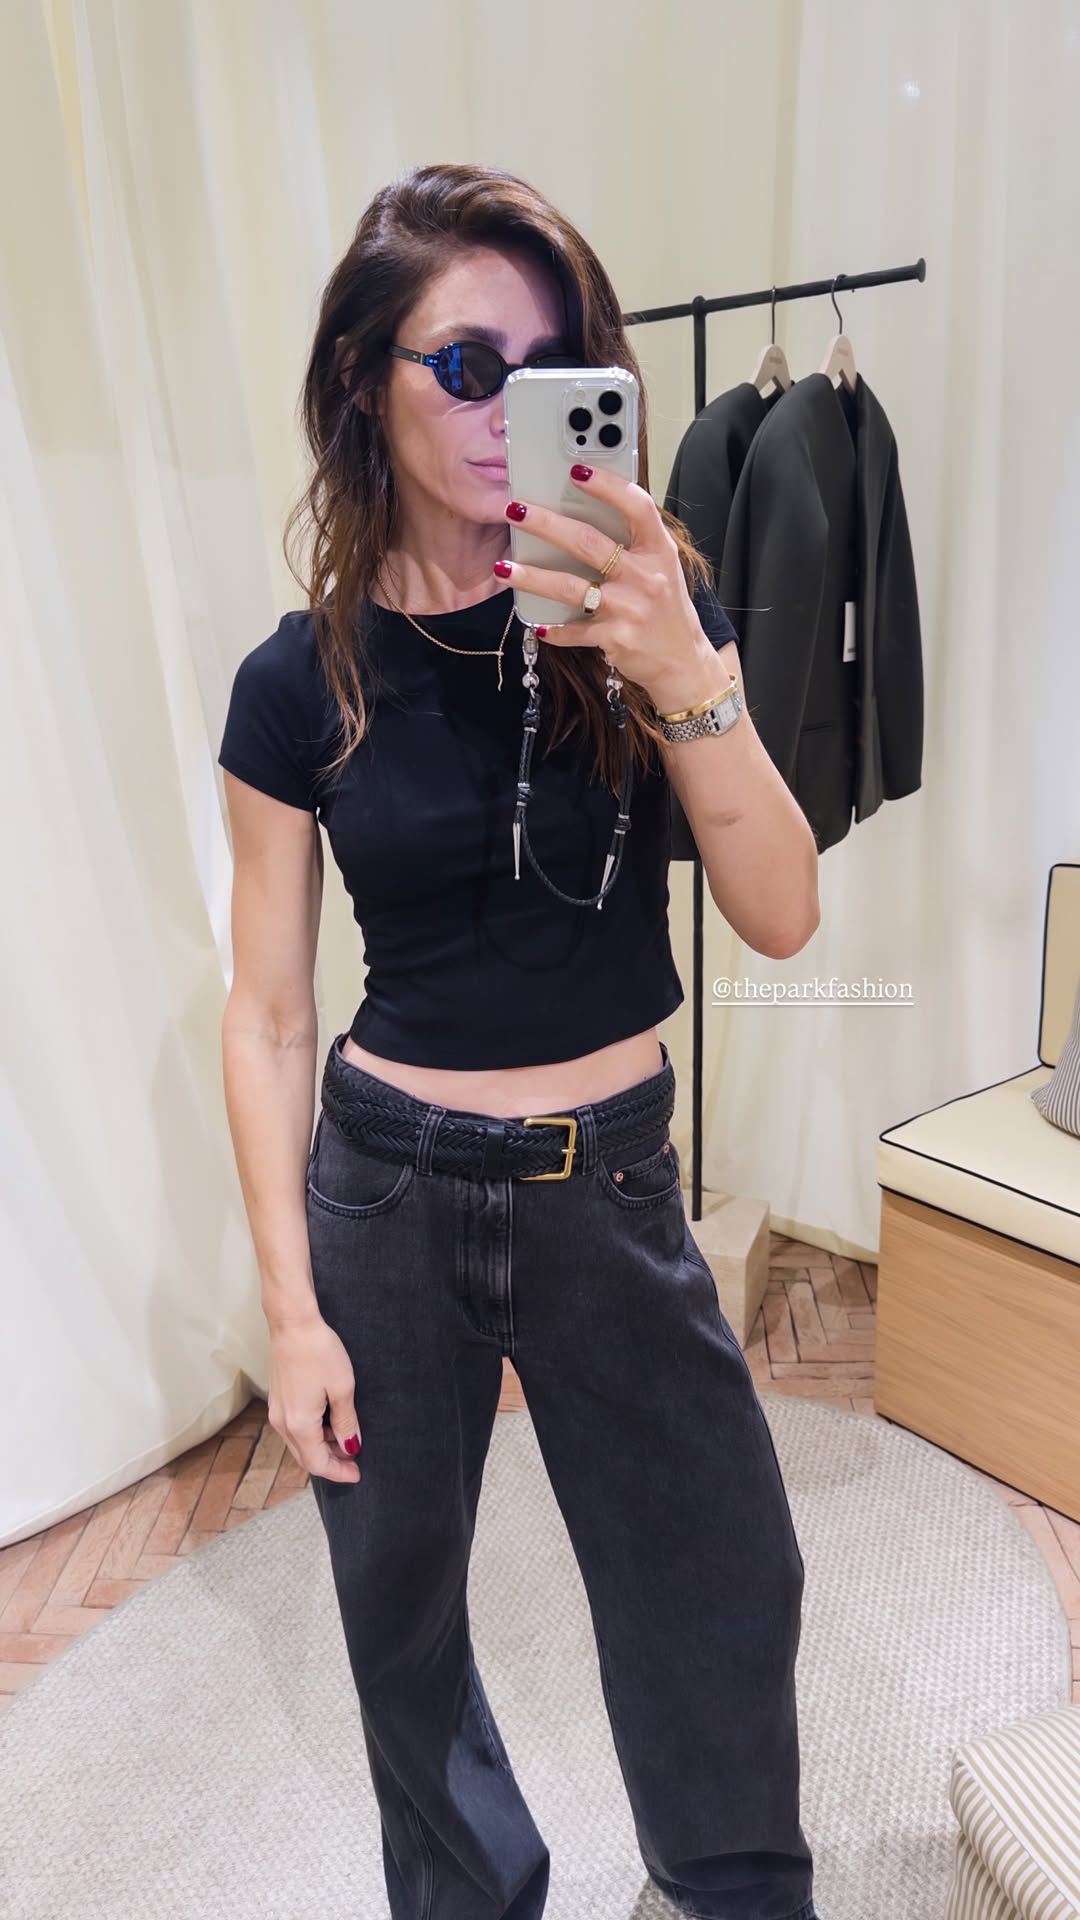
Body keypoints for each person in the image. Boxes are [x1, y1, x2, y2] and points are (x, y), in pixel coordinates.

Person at [218, 162, 822, 1920]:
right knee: (398, 1616)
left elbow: (784, 912)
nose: (510, 409)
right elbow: (266, 1013)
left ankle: (730, 1890)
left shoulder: (647, 607)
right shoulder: (298, 682)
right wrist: (290, 1311)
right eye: (468, 366)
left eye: (551, 369)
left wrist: (685, 676)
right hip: (385, 1199)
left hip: (608, 1185)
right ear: (366, 381)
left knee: (722, 1576)